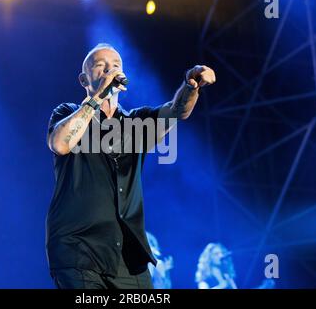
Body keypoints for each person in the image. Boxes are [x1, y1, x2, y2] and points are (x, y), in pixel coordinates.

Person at [46, 43, 216, 289]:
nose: (109, 71)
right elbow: (60, 144)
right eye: (101, 67)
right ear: (84, 79)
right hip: (78, 249)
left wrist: (191, 86)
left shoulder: (137, 122)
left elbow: (177, 110)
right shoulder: (67, 112)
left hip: (127, 257)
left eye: (115, 66)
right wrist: (96, 99)